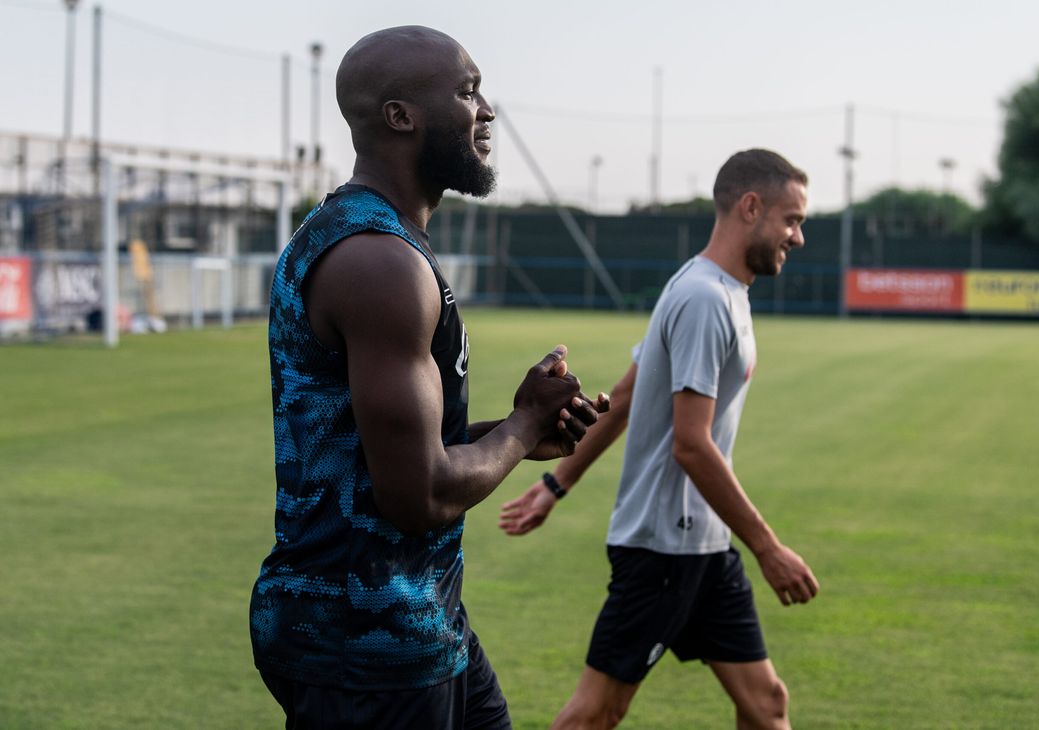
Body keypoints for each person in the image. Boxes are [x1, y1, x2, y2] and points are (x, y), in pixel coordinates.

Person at [250, 26, 606, 730]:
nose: (487, 111)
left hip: (411, 614)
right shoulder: (379, 263)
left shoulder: (373, 240)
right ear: (400, 116)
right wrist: (524, 424)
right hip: (364, 638)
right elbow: (420, 494)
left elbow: (379, 457)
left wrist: (509, 433)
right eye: (468, 91)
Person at [499, 149, 819, 730]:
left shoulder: (714, 289)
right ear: (751, 207)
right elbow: (691, 445)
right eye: (792, 220)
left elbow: (622, 398)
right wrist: (769, 548)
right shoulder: (703, 299)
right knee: (596, 714)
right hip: (664, 549)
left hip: (703, 545)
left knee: (766, 704)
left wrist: (556, 483)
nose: (798, 237)